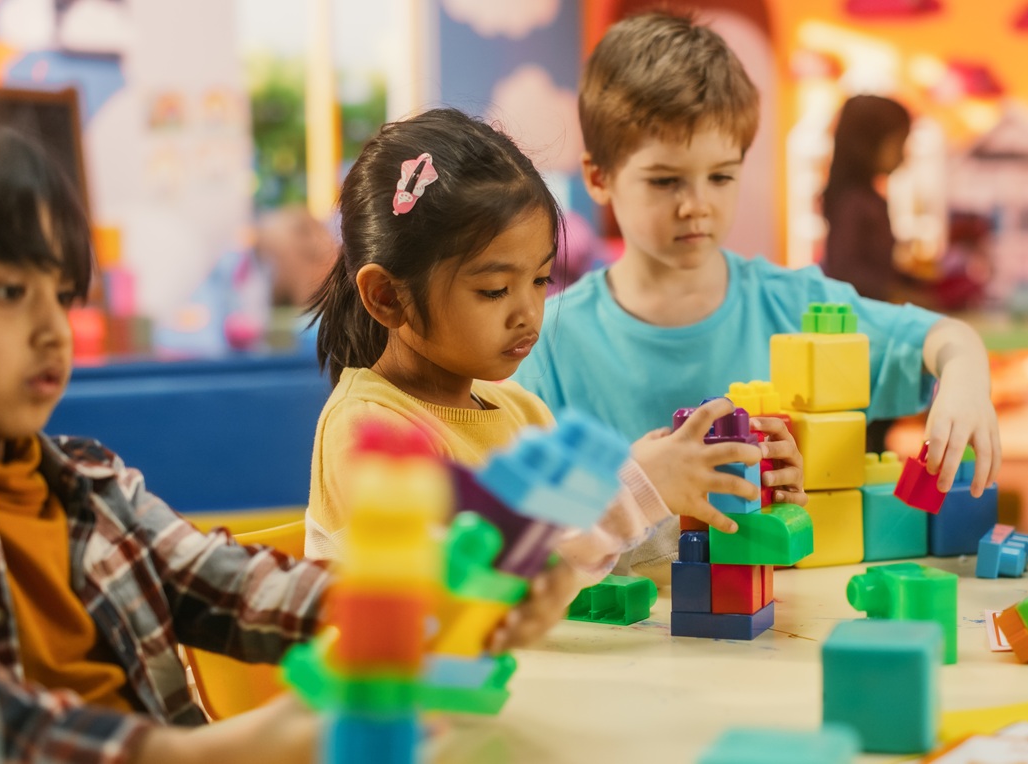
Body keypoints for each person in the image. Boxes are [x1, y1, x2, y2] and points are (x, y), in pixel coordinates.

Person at [512, 11, 1001, 579]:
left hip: (774, 636)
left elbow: (944, 338)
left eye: (720, 176)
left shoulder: (791, 306)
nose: (696, 205)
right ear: (599, 177)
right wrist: (641, 483)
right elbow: (518, 532)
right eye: (666, 180)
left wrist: (965, 381)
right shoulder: (547, 342)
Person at [304, 108, 806, 605]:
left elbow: (588, 559)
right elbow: (467, 591)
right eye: (495, 290)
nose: (528, 311)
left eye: (541, 280)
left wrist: (718, 500)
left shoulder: (521, 413)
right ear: (388, 297)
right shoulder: (370, 430)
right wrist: (634, 488)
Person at [0, 129, 328, 762]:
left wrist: (397, 603)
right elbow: (1, 724)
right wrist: (193, 753)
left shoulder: (90, 482)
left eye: (61, 294)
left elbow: (228, 583)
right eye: (9, 292)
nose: (54, 330)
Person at [821, 93, 912, 304]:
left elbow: (876, 270)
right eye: (898, 143)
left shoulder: (868, 200)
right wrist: (895, 293)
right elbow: (845, 272)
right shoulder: (854, 203)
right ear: (868, 144)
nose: (903, 155)